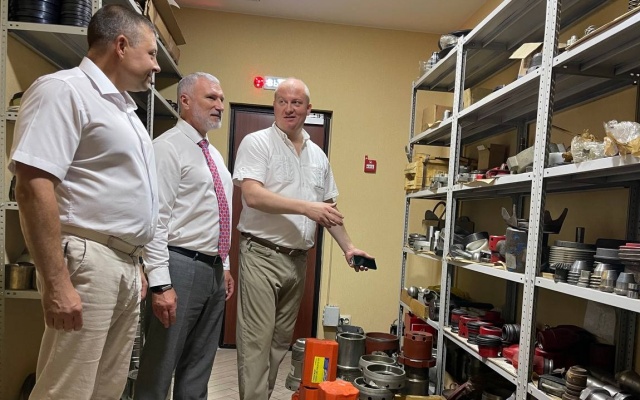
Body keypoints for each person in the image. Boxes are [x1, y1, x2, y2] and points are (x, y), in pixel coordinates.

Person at [9, 4, 160, 399]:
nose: (156, 66)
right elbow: (33, 186)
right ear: (121, 46)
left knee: (106, 390)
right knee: (67, 389)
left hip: (124, 265)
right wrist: (57, 282)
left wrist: (136, 262)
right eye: (151, 53)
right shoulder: (64, 90)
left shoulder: (125, 110)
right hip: (88, 260)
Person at [233, 77, 373, 399]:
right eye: (282, 101)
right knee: (256, 342)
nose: (288, 108)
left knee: (279, 343)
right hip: (261, 254)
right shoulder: (257, 143)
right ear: (274, 106)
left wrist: (349, 247)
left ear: (309, 109)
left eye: (296, 103)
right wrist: (306, 207)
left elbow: (328, 211)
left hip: (297, 261)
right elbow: (252, 195)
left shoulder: (318, 156)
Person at [134, 72, 235, 399]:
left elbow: (217, 212)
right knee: (160, 366)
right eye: (211, 98)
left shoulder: (214, 155)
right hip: (178, 266)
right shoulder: (167, 148)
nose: (220, 105)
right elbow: (156, 220)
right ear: (185, 100)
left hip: (213, 271)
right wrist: (161, 283)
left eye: (221, 99)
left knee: (198, 368)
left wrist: (224, 264)